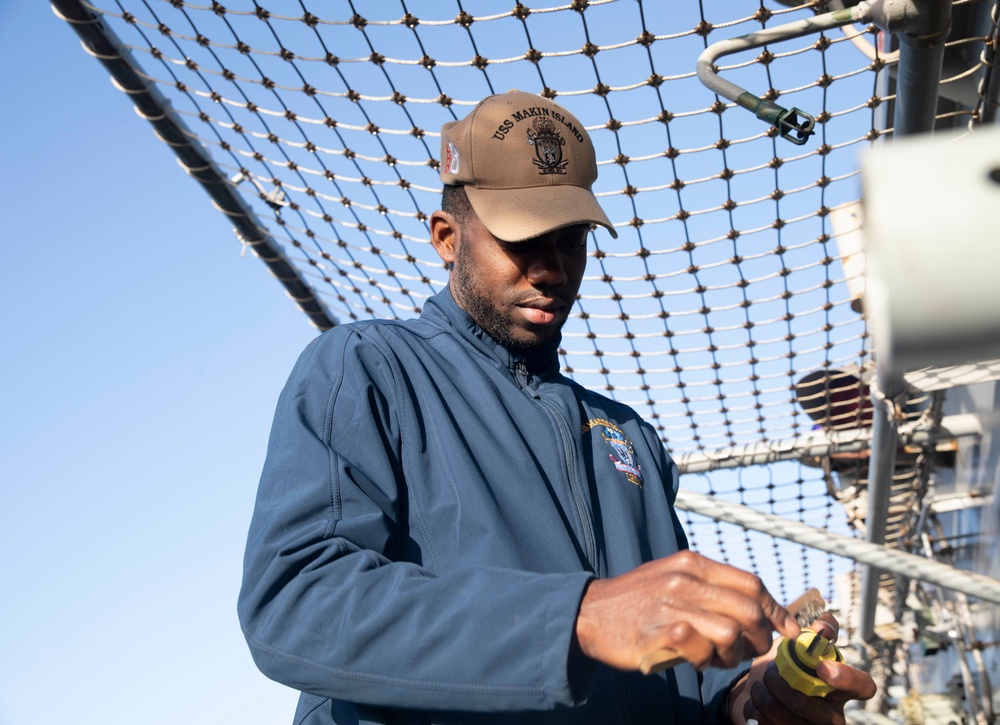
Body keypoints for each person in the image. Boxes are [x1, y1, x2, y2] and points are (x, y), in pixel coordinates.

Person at [239, 90, 876, 724]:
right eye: (523, 240)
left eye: (570, 241)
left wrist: (747, 698)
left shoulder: (630, 436)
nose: (550, 270)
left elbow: (673, 679)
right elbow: (296, 603)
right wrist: (582, 617)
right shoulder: (368, 365)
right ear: (445, 238)